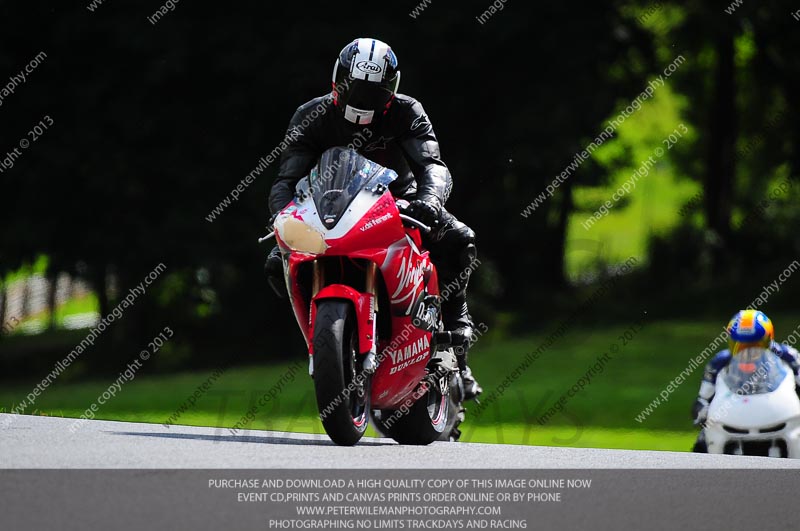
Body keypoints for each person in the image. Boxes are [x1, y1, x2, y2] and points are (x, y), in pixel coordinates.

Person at [265, 37, 482, 400]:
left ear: (391, 91)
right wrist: (282, 216)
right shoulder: (311, 115)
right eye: (355, 89)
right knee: (276, 262)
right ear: (338, 79)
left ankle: (455, 337)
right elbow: (285, 179)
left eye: (374, 93)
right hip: (328, 208)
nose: (362, 101)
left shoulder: (407, 111)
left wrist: (429, 199)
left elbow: (432, 166)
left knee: (459, 239)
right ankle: (323, 337)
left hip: (401, 202)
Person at [691, 309, 800, 451]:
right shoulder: (719, 361)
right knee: (703, 439)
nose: (748, 353)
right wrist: (701, 408)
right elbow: (704, 396)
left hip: (776, 409)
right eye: (741, 346)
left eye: (755, 346)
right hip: (735, 413)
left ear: (768, 341)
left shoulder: (789, 355)